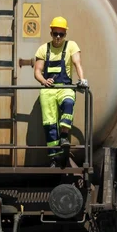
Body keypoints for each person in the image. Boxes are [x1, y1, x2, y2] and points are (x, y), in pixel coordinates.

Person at [34, 16, 87, 166]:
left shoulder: (71, 46)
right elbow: (37, 70)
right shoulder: (43, 49)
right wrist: (44, 81)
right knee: (49, 125)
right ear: (51, 32)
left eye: (61, 34)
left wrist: (82, 80)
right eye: (55, 33)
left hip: (65, 87)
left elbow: (77, 63)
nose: (58, 37)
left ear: (65, 34)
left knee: (68, 103)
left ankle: (64, 135)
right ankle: (54, 158)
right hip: (48, 90)